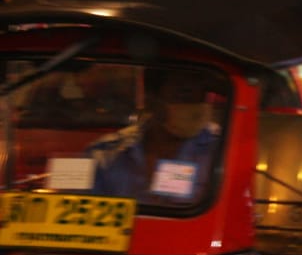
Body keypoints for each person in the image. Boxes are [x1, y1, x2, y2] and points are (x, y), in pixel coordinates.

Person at [89, 67, 225, 205]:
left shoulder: (222, 148)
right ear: (152, 101)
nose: (195, 104)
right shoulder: (107, 152)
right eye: (183, 94)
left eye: (202, 95)